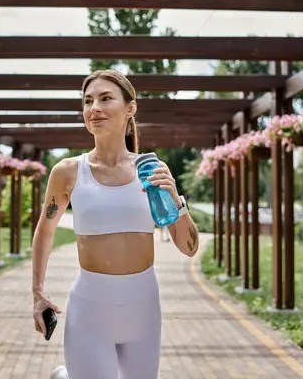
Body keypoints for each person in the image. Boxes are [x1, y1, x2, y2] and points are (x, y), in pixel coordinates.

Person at [31, 69, 200, 379]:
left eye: (106, 98)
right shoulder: (68, 172)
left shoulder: (151, 170)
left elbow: (189, 248)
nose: (94, 107)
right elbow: (45, 230)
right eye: (88, 101)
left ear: (130, 108)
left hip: (144, 310)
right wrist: (37, 293)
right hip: (90, 311)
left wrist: (176, 200)